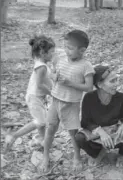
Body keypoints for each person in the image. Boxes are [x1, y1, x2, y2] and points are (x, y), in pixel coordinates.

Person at [41, 30, 94, 172]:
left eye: (70, 48)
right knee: (50, 129)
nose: (66, 50)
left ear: (82, 50)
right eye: (65, 46)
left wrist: (70, 83)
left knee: (73, 133)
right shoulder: (59, 59)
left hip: (71, 104)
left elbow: (89, 87)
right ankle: (45, 156)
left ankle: (77, 157)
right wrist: (53, 76)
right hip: (55, 101)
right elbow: (52, 73)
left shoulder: (86, 66)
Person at [75, 65, 123, 168]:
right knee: (79, 138)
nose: (117, 84)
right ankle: (98, 153)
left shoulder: (122, 98)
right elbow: (85, 122)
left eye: (117, 80)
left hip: (115, 132)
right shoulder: (89, 98)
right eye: (112, 81)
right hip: (98, 133)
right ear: (99, 84)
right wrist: (100, 131)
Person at [5, 35, 55, 151]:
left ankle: (42, 140)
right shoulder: (41, 67)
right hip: (34, 97)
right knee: (40, 121)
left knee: (43, 120)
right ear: (43, 52)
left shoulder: (41, 62)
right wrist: (52, 93)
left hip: (38, 97)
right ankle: (14, 135)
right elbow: (40, 85)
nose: (53, 54)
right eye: (51, 52)